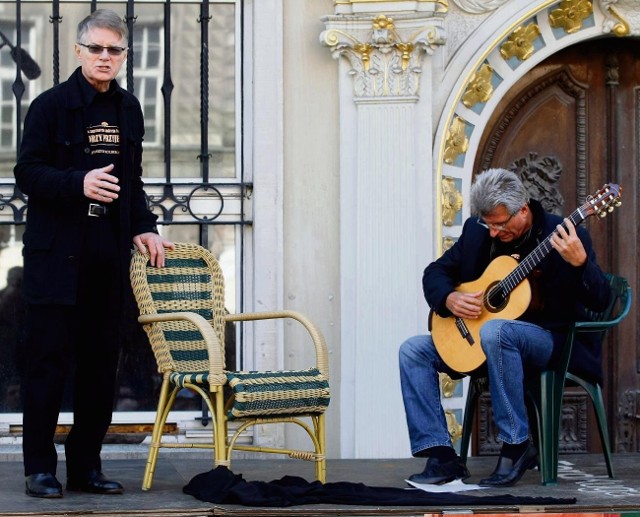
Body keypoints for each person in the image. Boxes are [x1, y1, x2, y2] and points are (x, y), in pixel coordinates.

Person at [14, 9, 174, 498]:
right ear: (80, 51)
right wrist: (77, 183)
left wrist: (145, 227)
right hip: (55, 258)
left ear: (124, 57)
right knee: (47, 366)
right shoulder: (49, 106)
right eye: (97, 48)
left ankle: (86, 466)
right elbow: (27, 173)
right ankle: (40, 468)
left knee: (100, 368)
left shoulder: (128, 109)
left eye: (115, 50)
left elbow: (133, 181)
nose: (105, 57)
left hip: (106, 259)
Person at [399, 168, 611, 487]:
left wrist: (582, 265)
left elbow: (600, 300)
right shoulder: (477, 232)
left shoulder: (564, 234)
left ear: (522, 209)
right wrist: (450, 298)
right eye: (489, 224)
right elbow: (435, 272)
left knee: (496, 331)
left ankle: (516, 445)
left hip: (548, 339)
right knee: (413, 350)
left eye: (500, 224)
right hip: (485, 341)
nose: (494, 233)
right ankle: (442, 456)